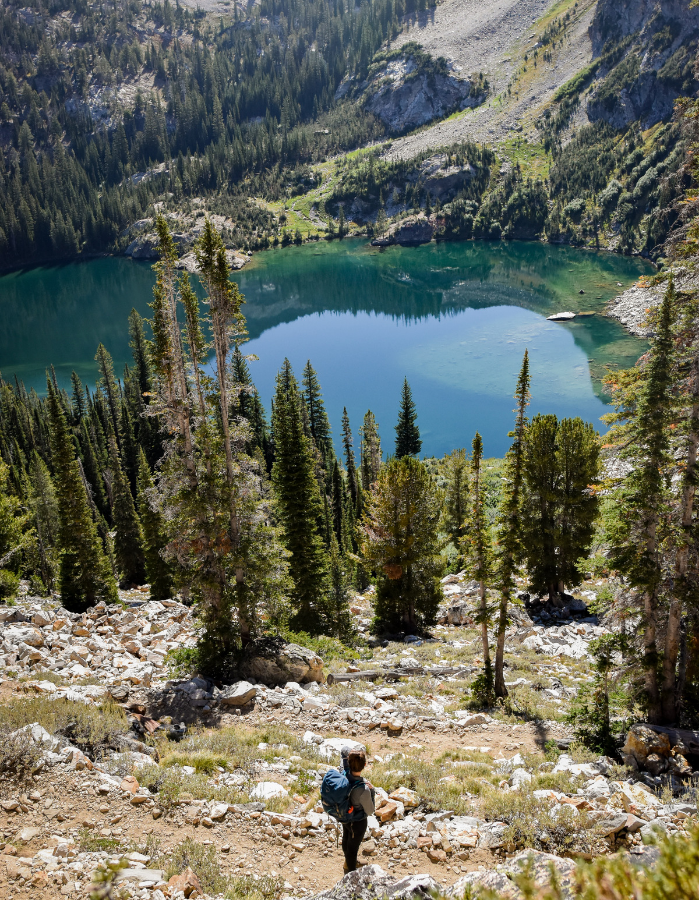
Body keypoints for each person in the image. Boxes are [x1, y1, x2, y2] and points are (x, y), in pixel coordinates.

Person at [340, 748, 375, 874]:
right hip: (358, 822)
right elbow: (370, 810)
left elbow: (343, 752)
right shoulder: (364, 789)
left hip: (345, 816)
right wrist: (372, 792)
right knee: (353, 848)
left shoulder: (344, 774)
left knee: (346, 838)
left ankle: (348, 863)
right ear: (364, 765)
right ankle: (350, 873)